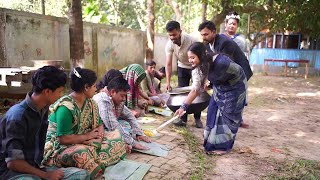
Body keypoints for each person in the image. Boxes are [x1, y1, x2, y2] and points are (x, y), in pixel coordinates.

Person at [0, 66, 90, 180]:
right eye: (59, 91)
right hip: (12, 173)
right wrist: (45, 175)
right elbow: (13, 163)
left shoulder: (43, 108)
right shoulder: (17, 117)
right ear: (47, 91)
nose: (61, 95)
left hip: (35, 168)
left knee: (82, 175)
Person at [42, 67, 127, 179]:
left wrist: (100, 136)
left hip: (85, 140)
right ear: (86, 87)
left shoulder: (90, 103)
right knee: (82, 152)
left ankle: (94, 158)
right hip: (59, 148)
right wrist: (88, 136)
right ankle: (94, 166)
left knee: (116, 136)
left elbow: (99, 123)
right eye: (94, 86)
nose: (96, 89)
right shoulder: (65, 108)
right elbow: (63, 139)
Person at [175, 42, 247, 155]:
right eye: (189, 58)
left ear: (201, 55)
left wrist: (210, 83)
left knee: (226, 115)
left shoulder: (220, 62)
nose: (190, 61)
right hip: (221, 86)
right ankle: (211, 142)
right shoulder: (199, 67)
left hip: (235, 88)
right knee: (213, 110)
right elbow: (196, 89)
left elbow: (235, 74)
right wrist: (183, 107)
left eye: (193, 57)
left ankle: (222, 147)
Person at [199, 20, 252, 128]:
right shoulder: (208, 45)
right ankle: (230, 119)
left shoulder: (224, 43)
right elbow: (211, 64)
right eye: (202, 35)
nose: (203, 37)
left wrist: (211, 82)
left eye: (206, 34)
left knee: (235, 96)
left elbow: (224, 66)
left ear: (214, 32)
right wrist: (206, 80)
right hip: (228, 74)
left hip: (240, 72)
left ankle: (235, 121)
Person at [93, 76, 151, 151]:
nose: (124, 99)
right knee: (117, 135)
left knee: (125, 125)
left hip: (106, 127)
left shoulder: (115, 99)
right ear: (113, 92)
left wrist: (139, 133)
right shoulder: (103, 100)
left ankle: (125, 141)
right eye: (122, 95)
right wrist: (134, 143)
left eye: (125, 96)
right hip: (97, 130)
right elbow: (113, 126)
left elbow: (129, 115)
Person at [165, 20, 203, 128]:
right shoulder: (169, 44)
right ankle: (182, 119)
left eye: (174, 34)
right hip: (182, 66)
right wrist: (167, 82)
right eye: (170, 35)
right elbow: (168, 64)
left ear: (180, 31)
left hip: (195, 66)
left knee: (196, 91)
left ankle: (197, 118)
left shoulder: (192, 40)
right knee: (182, 92)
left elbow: (201, 56)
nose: (172, 37)